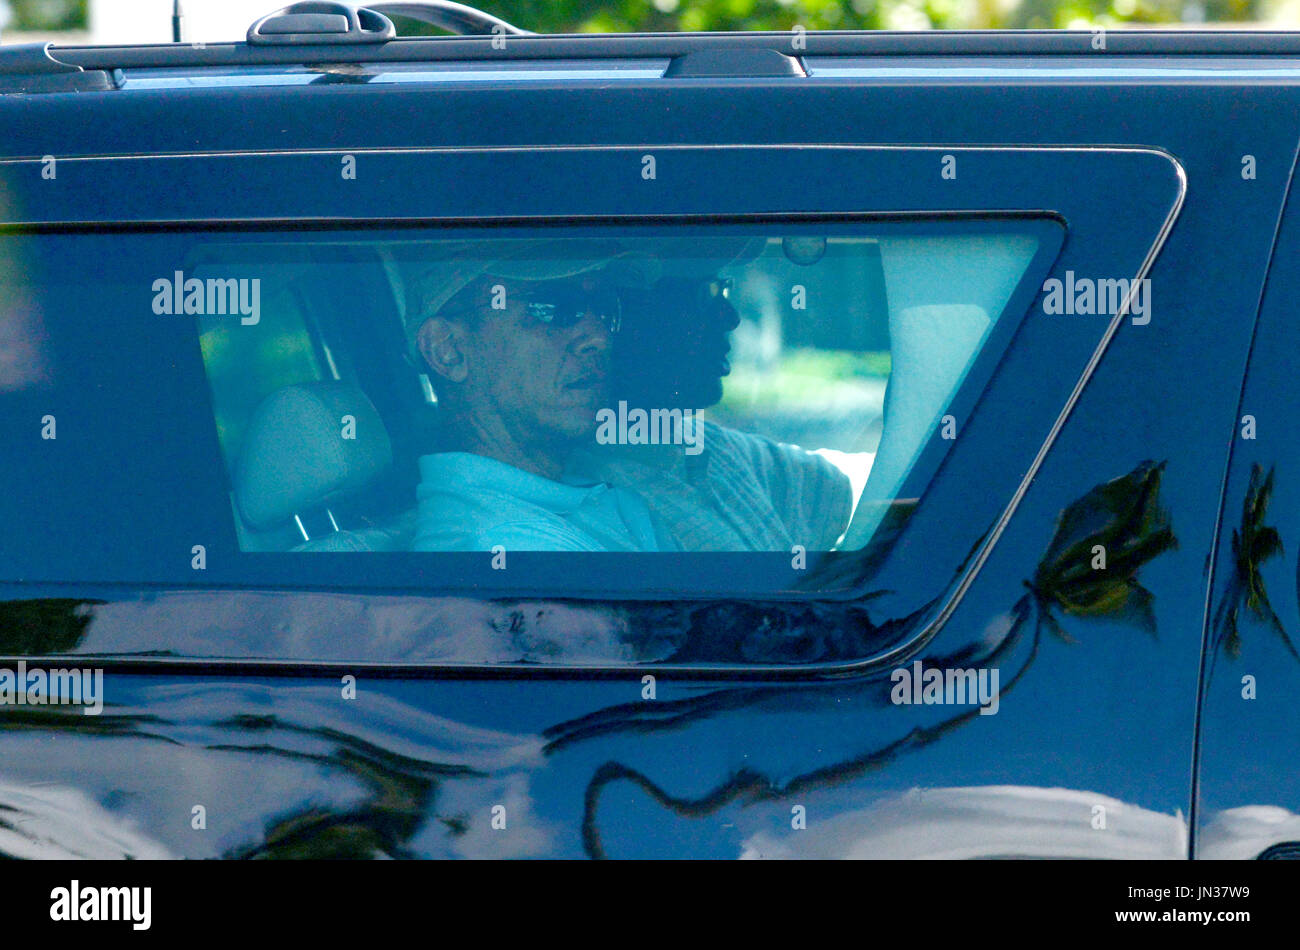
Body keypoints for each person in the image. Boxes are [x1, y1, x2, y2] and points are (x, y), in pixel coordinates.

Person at [569, 246, 855, 552]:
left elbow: (835, 490)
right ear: (622, 321)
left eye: (723, 291)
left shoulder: (699, 443)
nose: (729, 317)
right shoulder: (594, 493)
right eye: (704, 295)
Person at [403, 239, 679, 553]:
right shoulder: (503, 544)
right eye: (554, 307)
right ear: (448, 351)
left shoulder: (582, 500)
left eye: (604, 308)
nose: (599, 337)